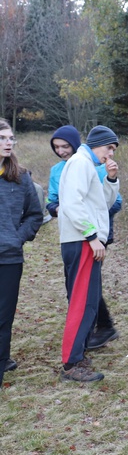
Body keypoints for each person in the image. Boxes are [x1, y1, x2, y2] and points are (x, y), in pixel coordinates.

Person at [47, 125, 121, 350]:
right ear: (98, 144)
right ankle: (74, 358)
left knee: (88, 299)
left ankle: (82, 348)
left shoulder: (90, 165)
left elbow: (103, 205)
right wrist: (91, 236)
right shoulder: (80, 163)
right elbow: (71, 203)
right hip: (80, 240)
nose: (111, 155)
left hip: (86, 239)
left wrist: (111, 179)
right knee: (82, 300)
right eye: (110, 149)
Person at [0, 119, 43, 387]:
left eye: (11, 138)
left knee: (3, 318)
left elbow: (35, 215)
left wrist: (17, 238)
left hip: (9, 258)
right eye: (3, 138)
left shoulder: (21, 177)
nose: (8, 142)